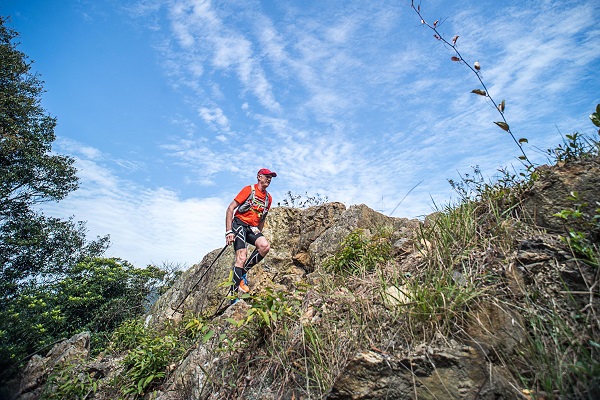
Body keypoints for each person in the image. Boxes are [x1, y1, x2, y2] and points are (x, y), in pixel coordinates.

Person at [225, 168, 276, 295]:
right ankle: (234, 292)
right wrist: (229, 231)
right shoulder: (249, 190)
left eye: (271, 177)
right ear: (259, 177)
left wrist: (259, 233)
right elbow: (230, 208)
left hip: (252, 228)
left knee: (264, 246)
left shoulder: (268, 198)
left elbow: (262, 217)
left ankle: (241, 274)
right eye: (267, 176)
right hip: (239, 223)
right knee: (241, 256)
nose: (269, 179)